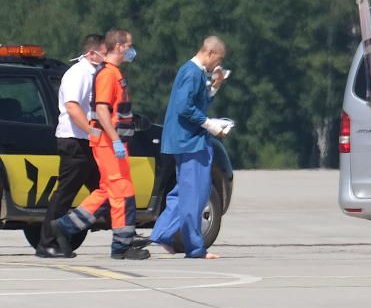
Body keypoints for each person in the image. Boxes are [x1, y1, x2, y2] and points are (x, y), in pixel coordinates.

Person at [50, 28, 150, 260]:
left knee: (107, 191)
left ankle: (64, 226)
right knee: (120, 192)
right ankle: (121, 246)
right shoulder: (107, 74)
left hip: (114, 143)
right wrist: (114, 139)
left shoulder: (113, 73)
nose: (131, 50)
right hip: (109, 143)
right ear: (118, 47)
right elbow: (102, 110)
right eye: (128, 46)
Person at [149, 36, 230, 259]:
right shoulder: (191, 72)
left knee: (184, 193)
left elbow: (197, 103)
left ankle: (163, 232)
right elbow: (184, 107)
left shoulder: (195, 73)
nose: (217, 65)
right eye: (218, 59)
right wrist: (210, 124)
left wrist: (214, 87)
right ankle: (194, 247)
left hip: (188, 140)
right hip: (190, 142)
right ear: (210, 53)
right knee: (196, 194)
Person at [35, 34, 107, 258]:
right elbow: (73, 107)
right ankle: (46, 243)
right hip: (75, 142)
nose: (107, 57)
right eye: (104, 53)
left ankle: (123, 237)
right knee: (65, 194)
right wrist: (92, 130)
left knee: (105, 189)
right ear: (92, 53)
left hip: (87, 142)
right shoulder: (78, 73)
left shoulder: (95, 73)